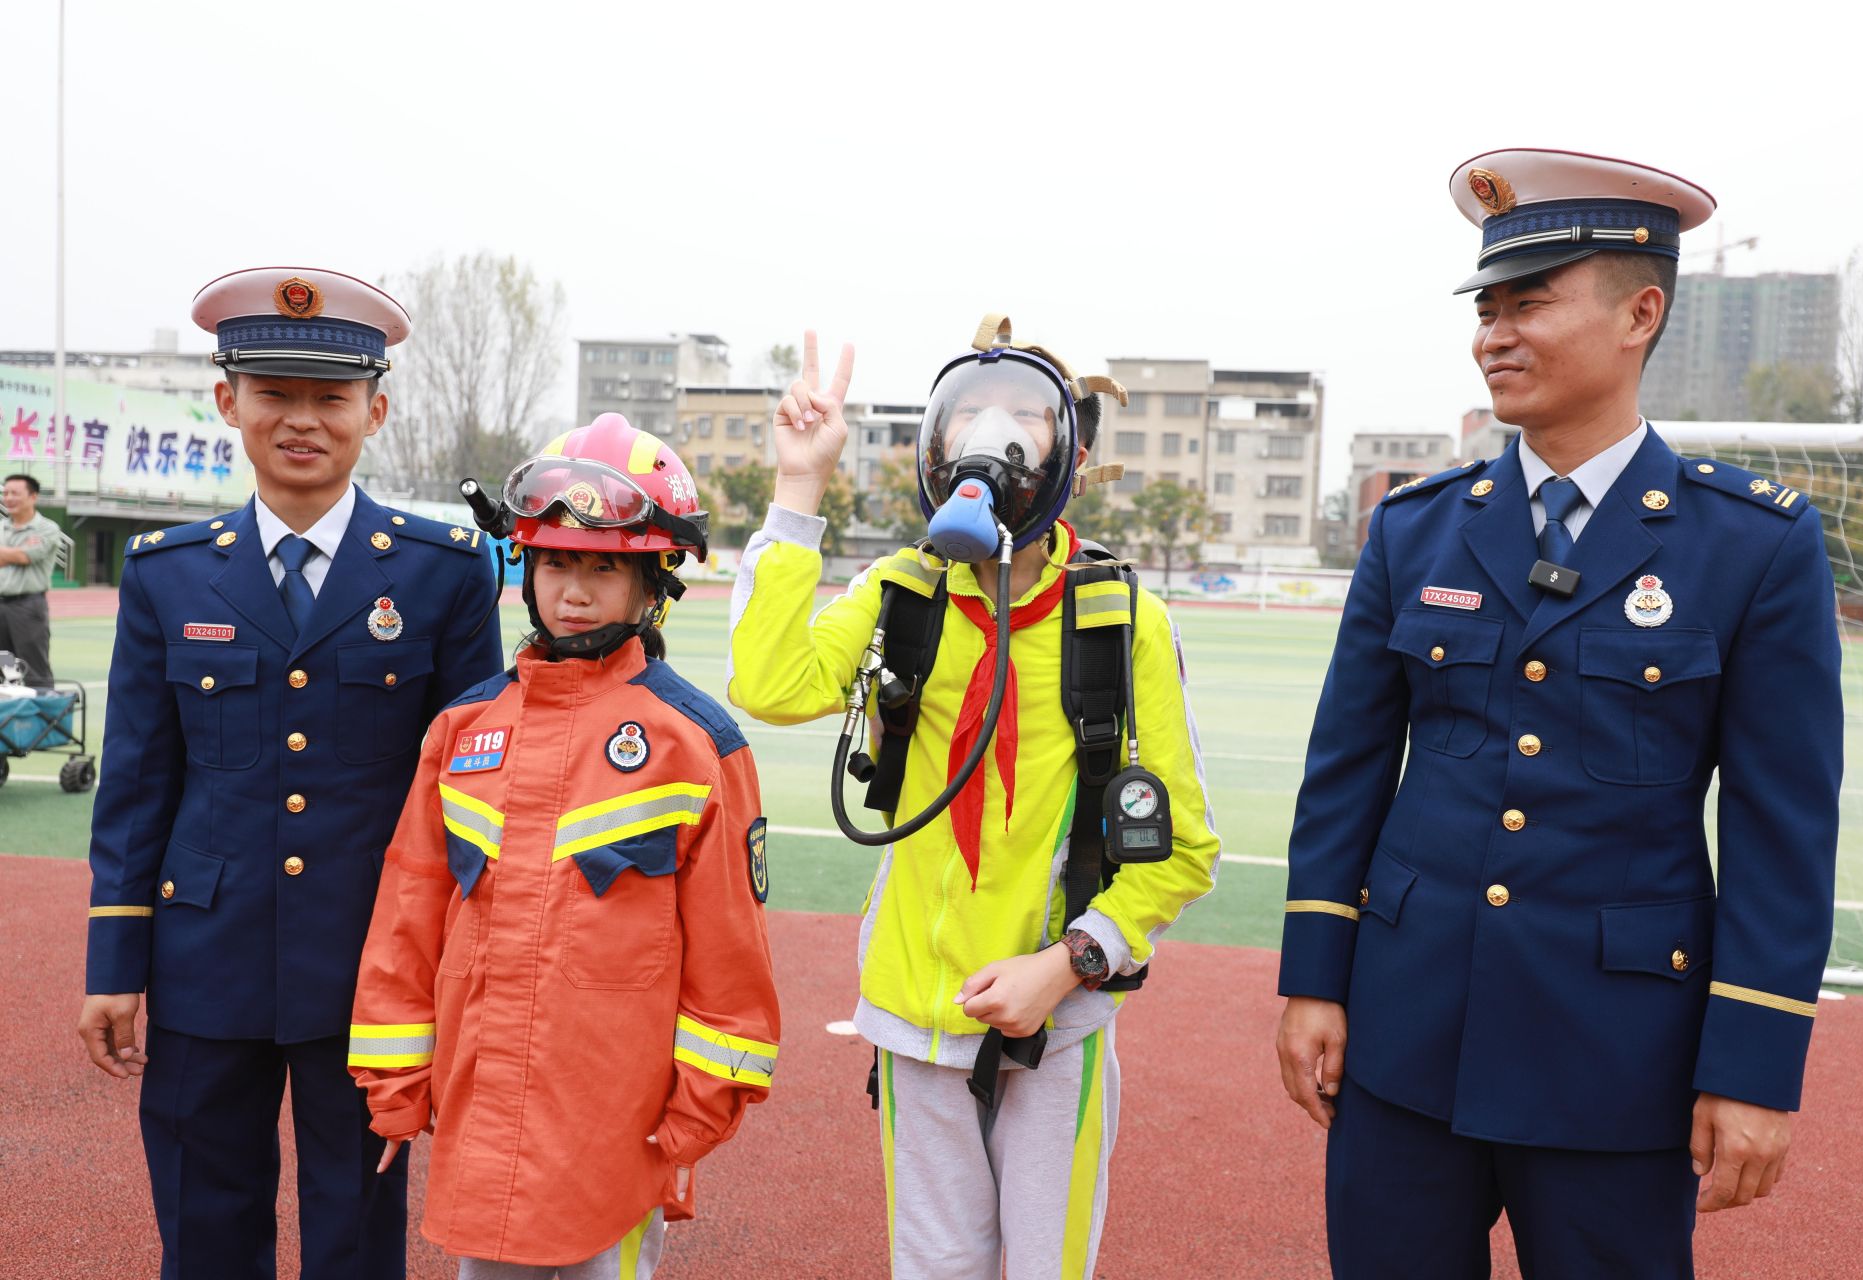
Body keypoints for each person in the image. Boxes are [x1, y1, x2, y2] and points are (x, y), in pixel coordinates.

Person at [1275, 149, 1845, 1278]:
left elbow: (1783, 830)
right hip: (1405, 1037)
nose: (1495, 334)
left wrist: (1754, 1064)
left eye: (1529, 303)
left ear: (1641, 313)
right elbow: (1344, 773)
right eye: (1486, 310)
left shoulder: (1751, 545)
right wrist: (1312, 977)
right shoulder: (1418, 528)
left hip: (1616, 1062)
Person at [728, 321, 1220, 1279]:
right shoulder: (900, 593)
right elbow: (767, 683)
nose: (992, 439)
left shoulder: (1122, 620)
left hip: (1058, 1023)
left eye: (1023, 419)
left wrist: (1069, 965)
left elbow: (1185, 851)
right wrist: (798, 487)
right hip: (913, 1015)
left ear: (1071, 457)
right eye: (971, 417)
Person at [78, 267, 505, 1279]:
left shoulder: (444, 572)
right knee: (204, 1224)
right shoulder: (168, 572)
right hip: (203, 958)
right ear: (228, 402)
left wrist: (463, 971)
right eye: (273, 393)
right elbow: (136, 783)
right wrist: (113, 965)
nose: (301, 420)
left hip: (372, 963)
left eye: (331, 398)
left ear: (375, 412)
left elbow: (473, 793)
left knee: (357, 1229)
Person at [349, 413, 779, 1279]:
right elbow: (409, 911)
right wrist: (395, 1085)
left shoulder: (696, 745)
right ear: (526, 568)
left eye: (603, 567)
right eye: (554, 563)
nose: (573, 590)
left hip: (617, 1125)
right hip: (481, 1113)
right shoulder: (463, 730)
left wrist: (700, 1109)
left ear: (653, 583)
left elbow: (730, 954)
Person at [0, 472, 63, 686]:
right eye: (6, 493)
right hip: (1, 606)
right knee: (5, 666)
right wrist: (16, 553)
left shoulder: (47, 528)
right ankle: (8, 706)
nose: (9, 498)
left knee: (34, 667)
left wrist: (16, 555)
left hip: (27, 607)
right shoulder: (2, 527)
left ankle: (44, 707)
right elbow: (18, 555)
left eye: (15, 493)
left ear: (33, 496)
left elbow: (24, 557)